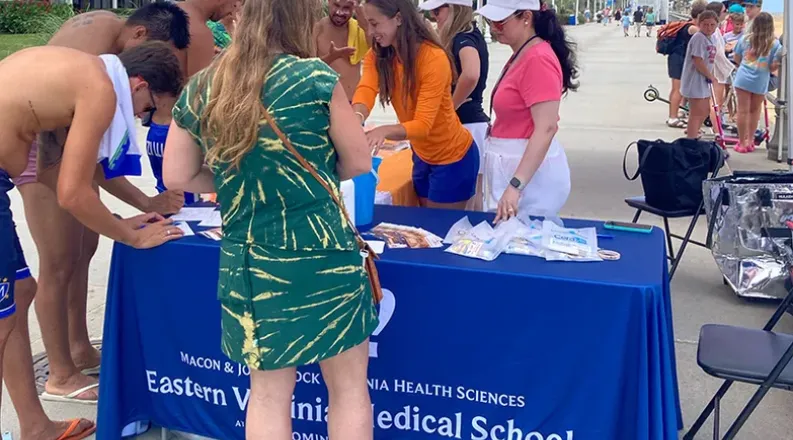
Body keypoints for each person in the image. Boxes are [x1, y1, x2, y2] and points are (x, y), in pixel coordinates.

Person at [162, 0, 377, 438]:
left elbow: (177, 175)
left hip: (251, 262)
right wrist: (300, 178)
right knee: (350, 388)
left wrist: (235, 181)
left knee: (267, 394)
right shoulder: (315, 78)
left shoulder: (203, 86)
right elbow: (358, 162)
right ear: (300, 19)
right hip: (324, 254)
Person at [11, 2, 189, 409]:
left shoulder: (97, 73)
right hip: (30, 150)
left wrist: (142, 205)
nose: (141, 118)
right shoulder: (101, 86)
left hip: (39, 142)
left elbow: (94, 168)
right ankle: (59, 375)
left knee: (74, 252)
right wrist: (129, 236)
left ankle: (77, 351)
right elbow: (73, 190)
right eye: (146, 110)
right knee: (54, 265)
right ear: (140, 83)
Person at [353, 0, 479, 210]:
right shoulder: (378, 55)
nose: (371, 31)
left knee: (438, 231)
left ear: (399, 19)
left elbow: (422, 125)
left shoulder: (433, 58)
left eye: (375, 23)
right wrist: (357, 117)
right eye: (368, 24)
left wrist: (383, 131)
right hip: (421, 155)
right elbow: (366, 89)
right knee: (421, 226)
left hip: (454, 158)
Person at [475, 0, 577, 221]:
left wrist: (516, 185)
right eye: (490, 21)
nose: (493, 28)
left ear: (526, 18)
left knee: (523, 239)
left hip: (527, 173)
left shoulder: (537, 58)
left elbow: (546, 127)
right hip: (515, 163)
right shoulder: (523, 53)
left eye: (500, 22)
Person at [420, 0, 490, 211]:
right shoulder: (471, 33)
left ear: (455, 9)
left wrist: (449, 105)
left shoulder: (462, 38)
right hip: (472, 125)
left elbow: (471, 73)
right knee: (474, 202)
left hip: (465, 126)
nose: (434, 16)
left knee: (469, 206)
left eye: (438, 10)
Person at [733, 12, 784, 152]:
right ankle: (750, 141)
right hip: (760, 80)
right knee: (755, 111)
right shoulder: (775, 44)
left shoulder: (745, 39)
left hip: (743, 77)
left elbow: (736, 58)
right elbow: (773, 67)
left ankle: (742, 143)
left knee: (742, 111)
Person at [315, 0, 370, 100]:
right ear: (329, 2)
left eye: (346, 8)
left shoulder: (360, 29)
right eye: (336, 5)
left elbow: (377, 52)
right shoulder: (318, 29)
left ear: (353, 8)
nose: (339, 12)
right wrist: (331, 57)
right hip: (324, 102)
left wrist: (363, 20)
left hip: (354, 101)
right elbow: (308, 68)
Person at [666, 0, 707, 128]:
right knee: (677, 89)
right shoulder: (692, 28)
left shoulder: (689, 25)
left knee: (681, 89)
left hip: (679, 59)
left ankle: (679, 112)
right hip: (678, 59)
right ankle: (672, 117)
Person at [681, 10, 719, 139]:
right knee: (696, 112)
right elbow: (698, 60)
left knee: (704, 111)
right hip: (695, 80)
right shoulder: (698, 38)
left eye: (712, 25)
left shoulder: (711, 38)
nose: (709, 28)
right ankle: (691, 139)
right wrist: (710, 76)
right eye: (705, 24)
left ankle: (694, 132)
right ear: (699, 24)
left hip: (703, 80)